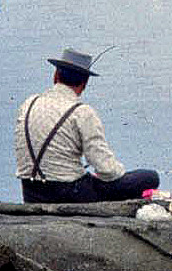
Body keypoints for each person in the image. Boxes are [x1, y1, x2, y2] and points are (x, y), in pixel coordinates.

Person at [14, 47, 160, 203]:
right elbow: (108, 171)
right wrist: (119, 174)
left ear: (55, 76)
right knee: (149, 177)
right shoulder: (82, 112)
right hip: (70, 194)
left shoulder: (29, 103)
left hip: (31, 192)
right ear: (84, 83)